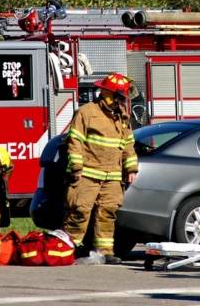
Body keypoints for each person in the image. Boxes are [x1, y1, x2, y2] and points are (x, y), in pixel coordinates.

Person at [63, 73, 138, 264]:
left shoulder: (122, 117)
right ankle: (66, 249)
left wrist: (131, 168)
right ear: (107, 93)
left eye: (123, 98)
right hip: (87, 173)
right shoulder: (86, 112)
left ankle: (104, 251)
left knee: (108, 212)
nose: (122, 102)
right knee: (79, 211)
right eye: (119, 97)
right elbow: (75, 141)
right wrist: (76, 167)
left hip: (112, 175)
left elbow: (128, 144)